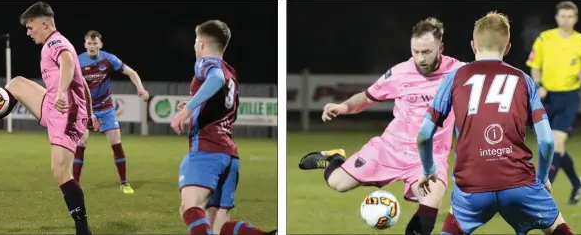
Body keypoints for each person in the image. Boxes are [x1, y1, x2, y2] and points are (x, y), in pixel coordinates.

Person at [297, 18, 465, 235]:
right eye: (415, 52)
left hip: (428, 157)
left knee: (432, 197)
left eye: (426, 52)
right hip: (390, 149)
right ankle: (334, 158)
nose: (420, 58)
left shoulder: (459, 73)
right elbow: (367, 97)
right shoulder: (400, 73)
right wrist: (343, 107)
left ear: (440, 48)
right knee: (337, 183)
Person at [0, 1, 99, 235]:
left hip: (65, 113)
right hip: (55, 104)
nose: (28, 32)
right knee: (16, 83)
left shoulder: (56, 43)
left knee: (60, 173)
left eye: (31, 27)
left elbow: (68, 63)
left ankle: (83, 230)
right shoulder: (55, 42)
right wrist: (90, 113)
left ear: (45, 24)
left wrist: (61, 93)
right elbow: (83, 84)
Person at [417, 12, 574, 235]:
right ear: (507, 47)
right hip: (520, 184)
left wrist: (428, 169)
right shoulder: (523, 80)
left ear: (473, 45)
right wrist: (541, 180)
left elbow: (424, 135)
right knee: (558, 228)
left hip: (472, 187)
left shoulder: (454, 78)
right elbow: (547, 141)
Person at [168, 20, 277, 235]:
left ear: (201, 44)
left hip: (208, 149)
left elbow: (215, 78)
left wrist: (188, 109)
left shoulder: (206, 63)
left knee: (190, 208)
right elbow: (228, 107)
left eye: (195, 41)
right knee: (218, 227)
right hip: (230, 156)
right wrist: (196, 104)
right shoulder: (231, 72)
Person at [526, 0, 581, 204]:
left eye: (570, 16)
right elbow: (534, 65)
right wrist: (538, 85)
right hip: (548, 97)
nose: (566, 19)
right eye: (562, 16)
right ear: (556, 18)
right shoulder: (545, 39)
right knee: (553, 145)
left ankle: (543, 192)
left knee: (556, 142)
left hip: (569, 97)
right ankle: (576, 182)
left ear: (575, 19)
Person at [73, 30, 150, 194]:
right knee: (81, 143)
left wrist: (141, 89)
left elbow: (132, 72)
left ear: (100, 44)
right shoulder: (77, 61)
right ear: (85, 45)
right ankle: (75, 185)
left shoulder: (109, 59)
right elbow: (68, 81)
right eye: (89, 43)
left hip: (106, 108)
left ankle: (124, 182)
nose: (92, 46)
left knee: (116, 144)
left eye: (95, 43)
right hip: (86, 109)